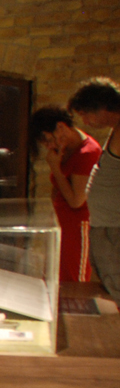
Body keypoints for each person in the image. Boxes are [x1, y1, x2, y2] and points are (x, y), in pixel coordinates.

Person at [30, 106, 101, 282]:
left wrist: (55, 167)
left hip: (77, 225)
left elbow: (76, 200)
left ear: (61, 127)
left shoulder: (87, 152)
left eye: (49, 140)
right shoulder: (65, 148)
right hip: (61, 221)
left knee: (72, 279)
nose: (49, 146)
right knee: (55, 277)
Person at [68, 78, 120, 301]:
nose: (86, 122)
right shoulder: (115, 130)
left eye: (87, 115)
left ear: (103, 107)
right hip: (106, 226)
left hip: (114, 228)